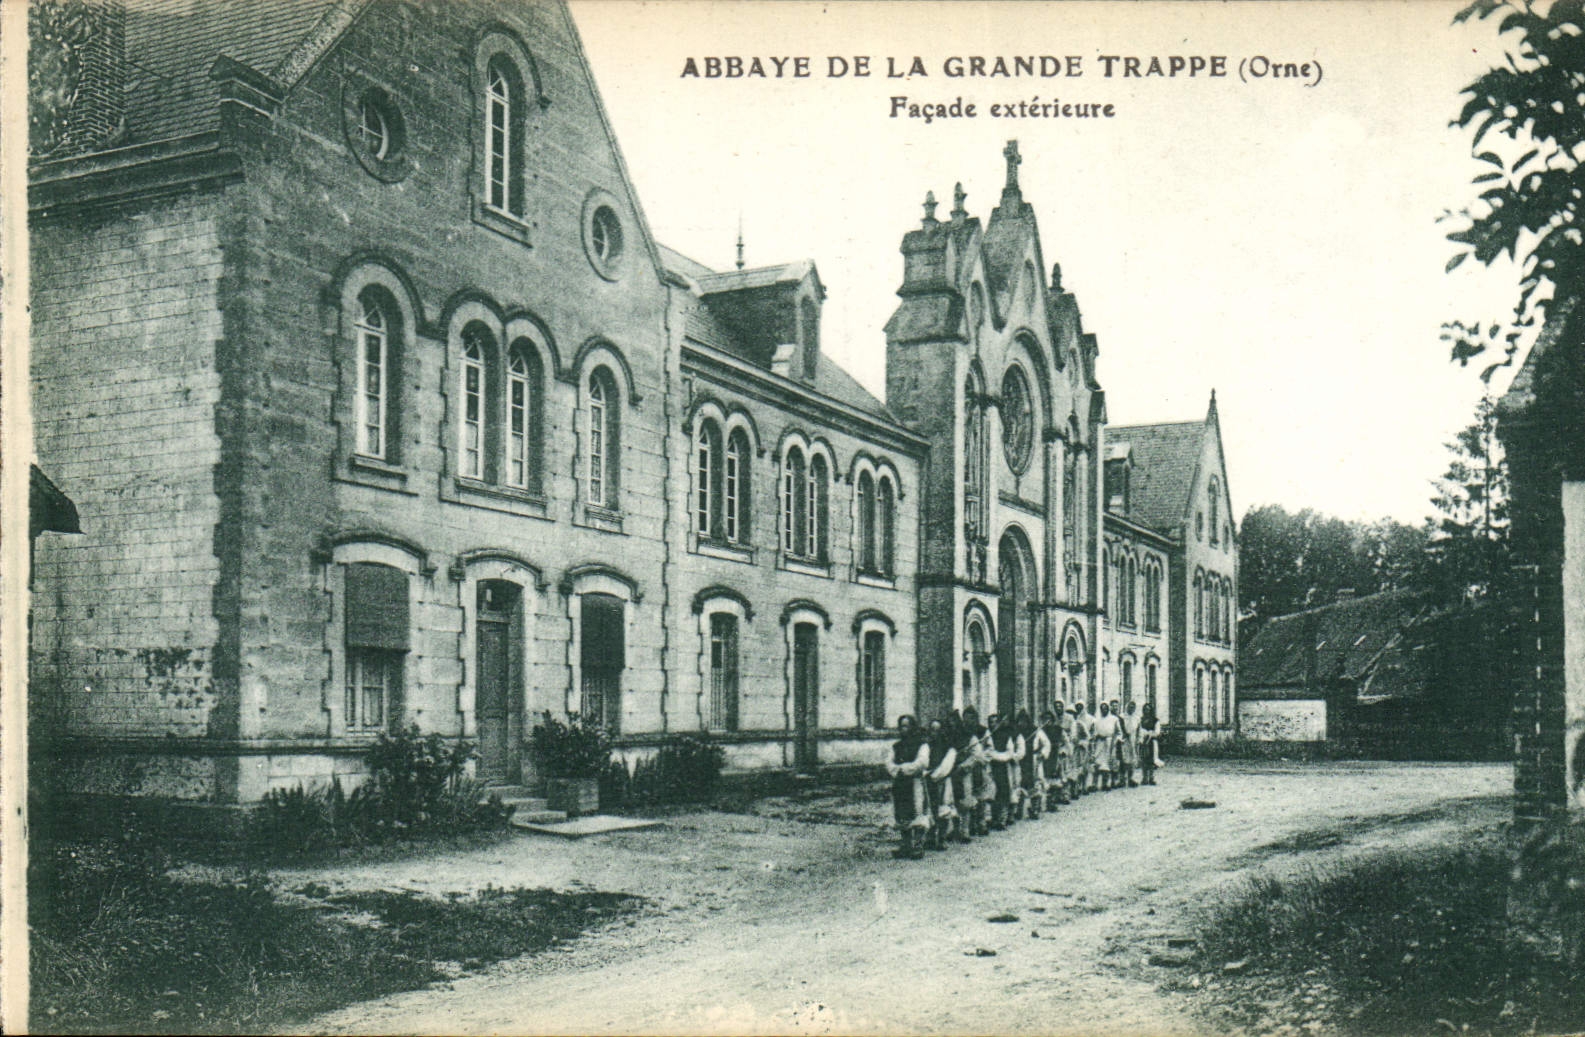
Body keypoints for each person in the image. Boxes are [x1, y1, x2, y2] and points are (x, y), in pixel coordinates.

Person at [885, 714, 930, 858]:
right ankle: (905, 845)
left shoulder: (922, 745)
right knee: (902, 812)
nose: (903, 729)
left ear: (913, 727)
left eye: (907, 726)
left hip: (915, 782)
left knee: (917, 812)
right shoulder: (896, 746)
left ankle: (917, 846)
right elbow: (889, 763)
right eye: (901, 726)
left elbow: (922, 762)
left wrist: (905, 768)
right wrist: (896, 770)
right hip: (900, 783)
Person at [924, 717, 958, 851]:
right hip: (927, 780)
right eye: (932, 730)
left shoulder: (948, 747)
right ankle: (930, 837)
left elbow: (946, 766)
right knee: (929, 808)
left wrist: (935, 775)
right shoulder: (926, 746)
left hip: (942, 780)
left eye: (937, 730)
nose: (934, 733)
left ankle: (942, 838)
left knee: (942, 809)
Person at [948, 710, 978, 842]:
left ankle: (965, 831)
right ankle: (954, 830)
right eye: (950, 722)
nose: (952, 725)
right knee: (951, 801)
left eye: (954, 722)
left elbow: (976, 755)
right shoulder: (948, 737)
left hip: (964, 773)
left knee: (965, 802)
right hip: (950, 772)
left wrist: (963, 766)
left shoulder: (970, 737)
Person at [1023, 710, 1051, 819]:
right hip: (1022, 759)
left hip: (1034, 758)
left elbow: (1046, 743)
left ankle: (1035, 808)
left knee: (1036, 782)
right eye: (1021, 721)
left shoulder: (1036, 731)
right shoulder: (1018, 732)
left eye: (1025, 721)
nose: (1023, 723)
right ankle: (1018, 811)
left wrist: (1042, 754)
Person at [1047, 704, 1071, 806]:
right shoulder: (1043, 731)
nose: (1047, 722)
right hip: (1048, 755)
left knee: (1062, 775)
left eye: (1049, 719)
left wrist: (1065, 751)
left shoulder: (1059, 729)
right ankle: (1052, 798)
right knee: (1051, 777)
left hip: (1059, 754)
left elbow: (1066, 742)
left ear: (1052, 720)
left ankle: (1065, 795)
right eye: (1045, 719)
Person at [1092, 700, 1119, 791]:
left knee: (1107, 763)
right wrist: (1096, 737)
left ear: (1108, 709)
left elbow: (1118, 732)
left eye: (1105, 708)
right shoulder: (1097, 720)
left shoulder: (1114, 719)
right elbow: (1094, 732)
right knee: (1097, 762)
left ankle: (1106, 783)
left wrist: (1115, 741)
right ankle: (1094, 784)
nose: (1104, 710)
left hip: (1109, 742)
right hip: (1100, 742)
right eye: (1102, 708)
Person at [1071, 700, 1092, 796]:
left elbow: (1087, 736)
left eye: (1074, 714)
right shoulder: (1068, 724)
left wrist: (1081, 743)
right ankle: (1074, 789)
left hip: (1080, 749)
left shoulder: (1080, 724)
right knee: (1073, 769)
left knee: (1082, 768)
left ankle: (1083, 786)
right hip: (1070, 748)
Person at [1119, 698, 1142, 788]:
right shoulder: (1121, 717)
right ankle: (1122, 779)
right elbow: (1119, 728)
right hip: (1124, 740)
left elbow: (1139, 730)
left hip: (1133, 740)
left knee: (1132, 760)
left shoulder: (1137, 718)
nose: (1131, 708)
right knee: (1124, 760)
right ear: (1126, 707)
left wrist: (1139, 740)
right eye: (1130, 706)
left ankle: (1131, 778)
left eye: (1133, 707)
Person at [1139, 704, 1163, 785]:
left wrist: (1150, 734)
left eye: (1148, 709)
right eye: (1145, 709)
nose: (1147, 711)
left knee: (1152, 760)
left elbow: (1157, 732)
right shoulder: (1141, 720)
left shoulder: (1155, 720)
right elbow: (1139, 730)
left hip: (1152, 742)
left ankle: (1151, 778)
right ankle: (1144, 778)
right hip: (1143, 742)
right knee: (1144, 760)